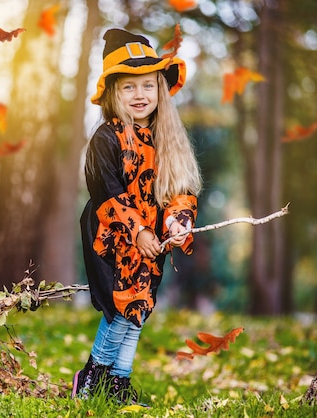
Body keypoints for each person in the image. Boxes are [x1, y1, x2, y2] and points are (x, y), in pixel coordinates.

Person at [72, 28, 202, 404]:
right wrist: (140, 229)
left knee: (139, 312)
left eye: (147, 85)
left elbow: (181, 191)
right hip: (112, 236)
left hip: (153, 243)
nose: (140, 95)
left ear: (160, 89)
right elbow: (106, 192)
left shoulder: (167, 138)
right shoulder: (106, 139)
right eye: (129, 87)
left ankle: (119, 383)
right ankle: (92, 379)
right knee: (120, 308)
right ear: (114, 93)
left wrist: (178, 224)